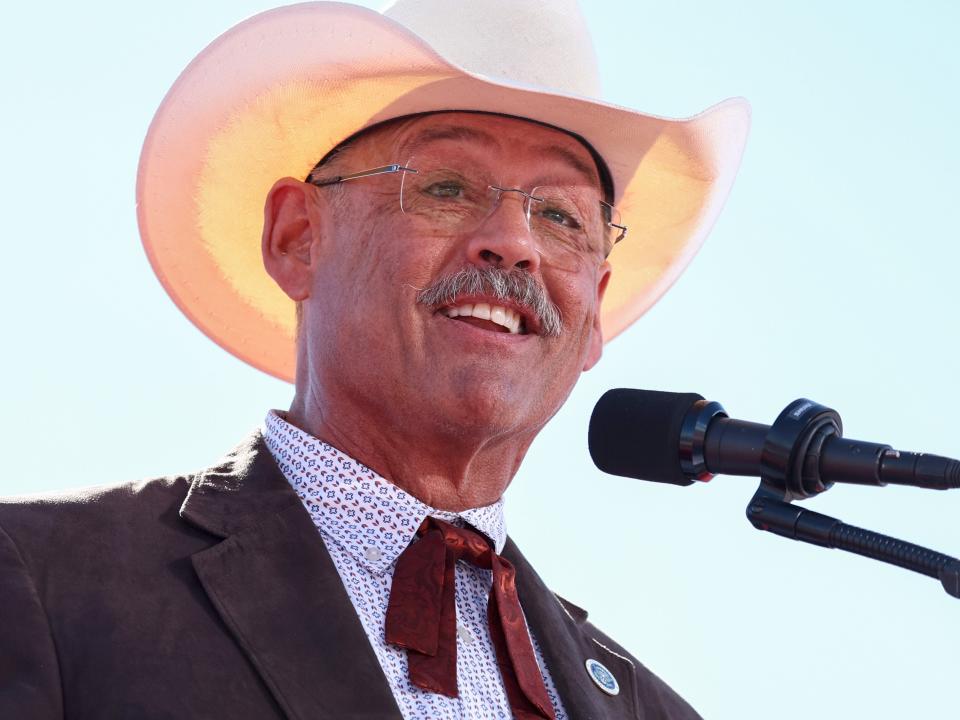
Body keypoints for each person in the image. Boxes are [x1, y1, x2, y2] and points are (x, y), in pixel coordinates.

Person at [0, 1, 750, 717]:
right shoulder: (43, 578)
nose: (516, 243)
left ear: (594, 316)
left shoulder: (655, 711)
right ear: (298, 238)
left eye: (560, 217)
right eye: (448, 186)